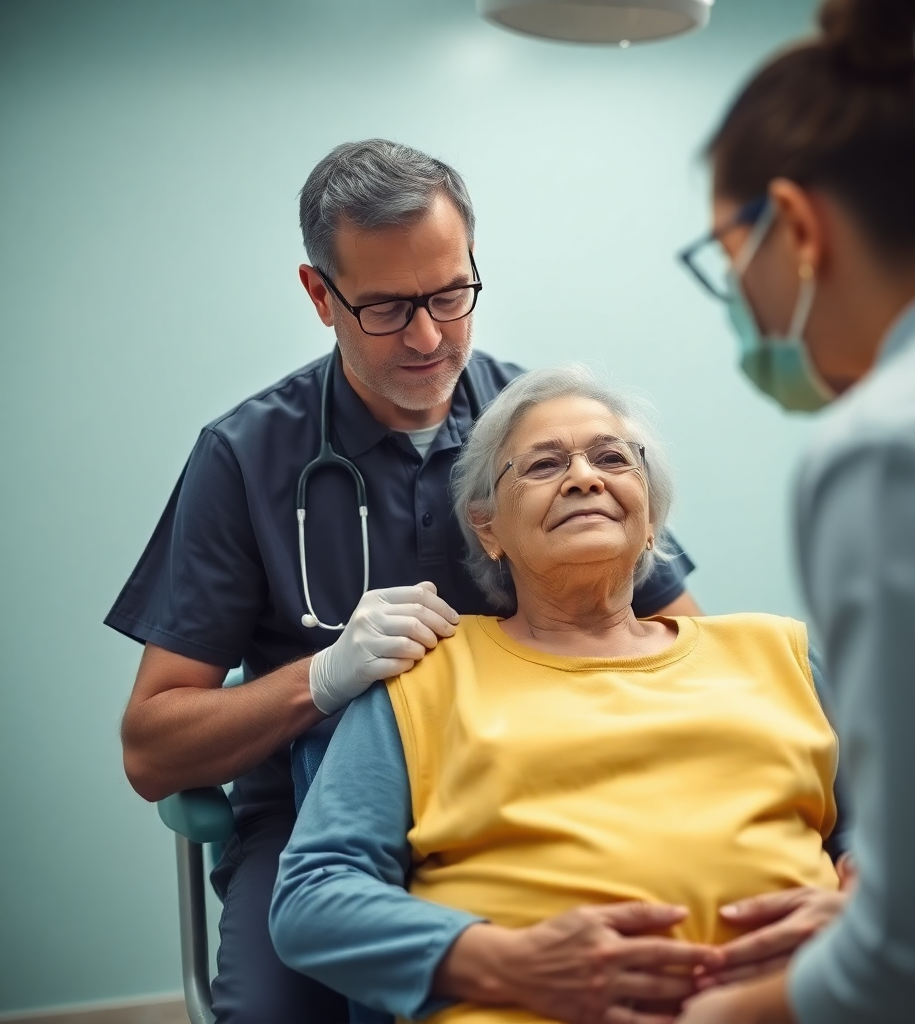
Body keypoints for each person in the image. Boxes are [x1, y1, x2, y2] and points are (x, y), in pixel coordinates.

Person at [105, 140, 700, 1024]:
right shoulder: (245, 457)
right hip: (320, 814)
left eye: (450, 296)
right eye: (384, 307)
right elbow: (151, 750)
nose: (427, 338)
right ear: (320, 295)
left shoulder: (540, 428)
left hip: (538, 778)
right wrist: (319, 680)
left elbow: (689, 648)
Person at [270, 364, 845, 1024]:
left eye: (610, 457)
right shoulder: (422, 678)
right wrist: (507, 960)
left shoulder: (779, 655)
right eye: (544, 466)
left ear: (652, 515)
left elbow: (904, 835)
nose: (584, 477)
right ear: (487, 528)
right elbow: (312, 897)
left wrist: (862, 907)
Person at [674, 1, 915, 1021]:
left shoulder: (890, 451)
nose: (738, 294)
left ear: (795, 225)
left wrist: (725, 1014)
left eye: (728, 254)